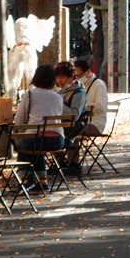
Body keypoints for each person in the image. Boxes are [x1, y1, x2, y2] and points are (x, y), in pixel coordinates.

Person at [14, 64, 66, 193]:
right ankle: (42, 182)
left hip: (35, 138)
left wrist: (20, 132)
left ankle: (26, 182)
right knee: (38, 148)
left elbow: (20, 121)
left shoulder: (30, 95)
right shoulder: (58, 97)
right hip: (57, 140)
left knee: (24, 147)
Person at [73, 59, 108, 134]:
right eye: (75, 76)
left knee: (72, 130)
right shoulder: (80, 85)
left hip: (95, 123)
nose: (77, 78)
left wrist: (83, 105)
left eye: (79, 75)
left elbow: (100, 107)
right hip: (82, 122)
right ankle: (74, 145)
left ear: (88, 71)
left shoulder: (99, 85)